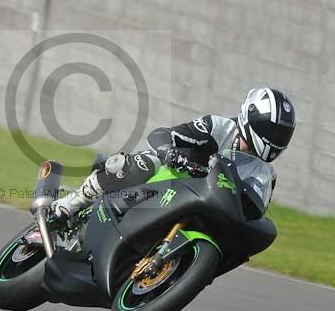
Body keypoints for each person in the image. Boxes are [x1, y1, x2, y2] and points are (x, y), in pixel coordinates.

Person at [48, 88, 296, 223]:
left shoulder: (265, 174)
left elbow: (253, 212)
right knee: (147, 161)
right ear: (250, 119)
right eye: (271, 130)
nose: (275, 138)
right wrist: (170, 152)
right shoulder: (219, 127)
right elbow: (163, 134)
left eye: (282, 134)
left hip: (203, 205)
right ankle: (72, 202)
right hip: (173, 177)